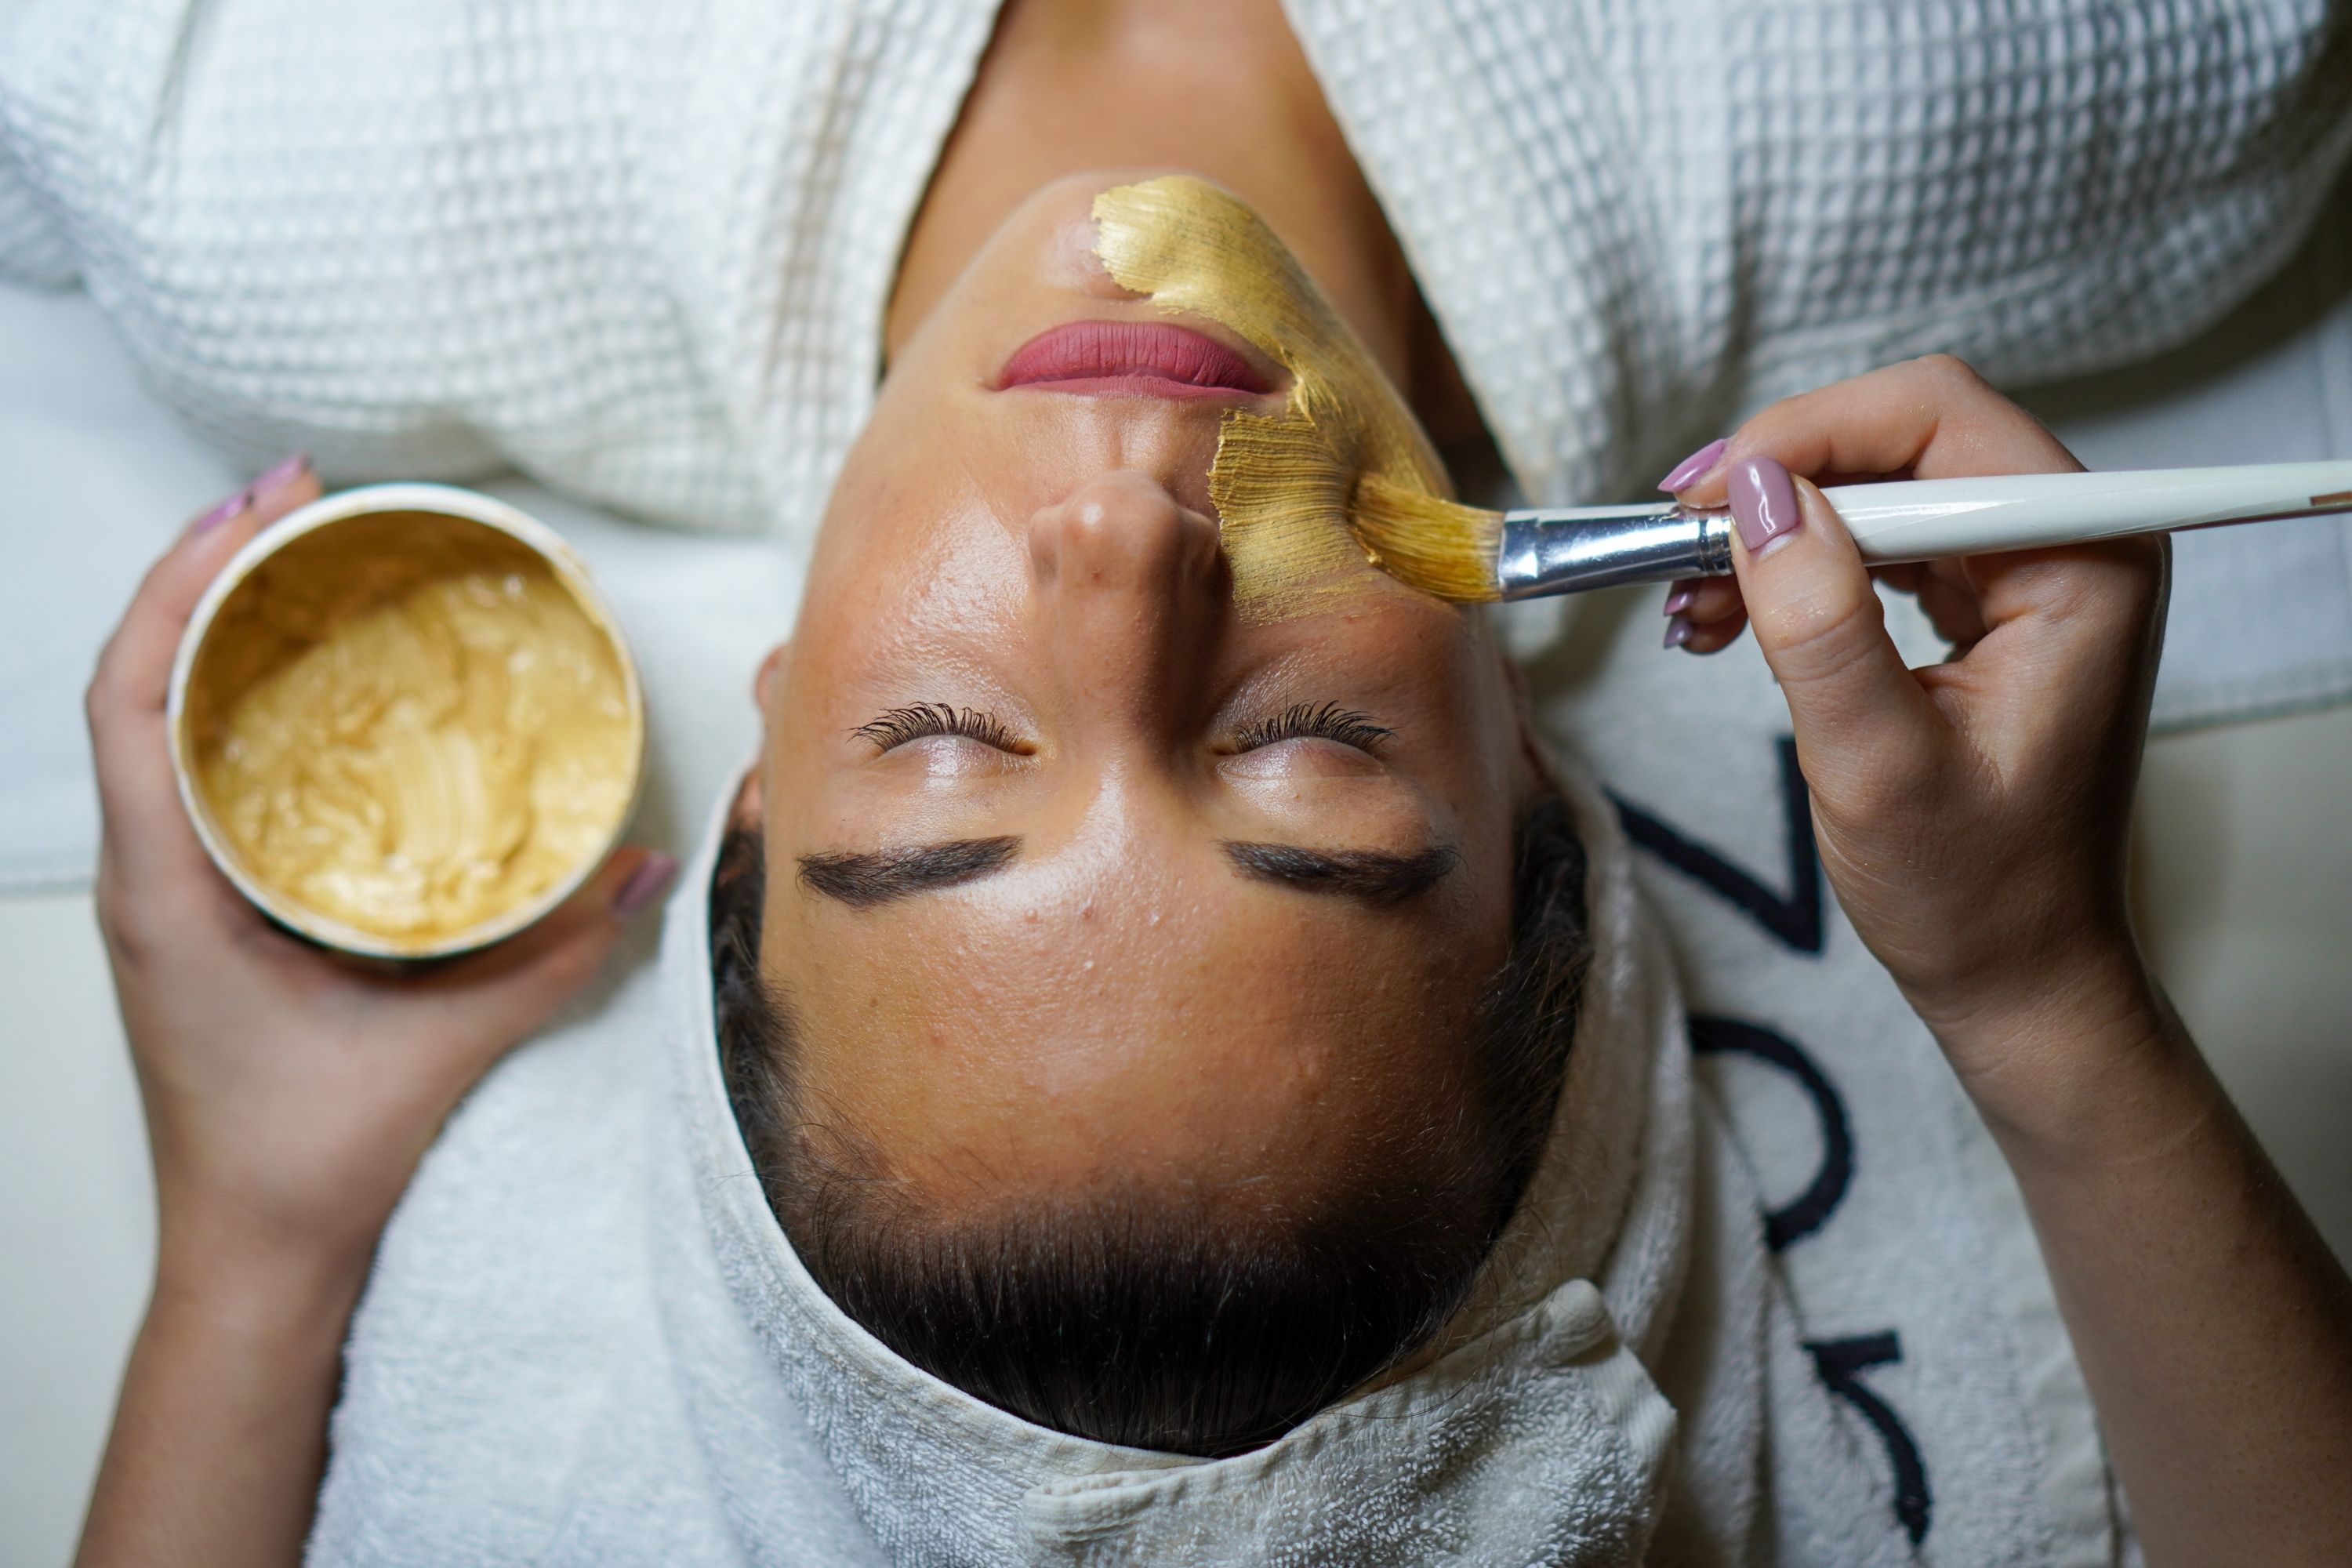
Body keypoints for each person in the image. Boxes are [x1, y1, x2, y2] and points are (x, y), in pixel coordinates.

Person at [25, 2, 2352, 1564]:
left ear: (754, 757)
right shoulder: (2113, 83)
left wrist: (246, 1237)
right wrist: (2043, 998)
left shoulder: (235, 151)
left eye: (947, 745)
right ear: (1538, 768)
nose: (1126, 553)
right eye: (1301, 750)